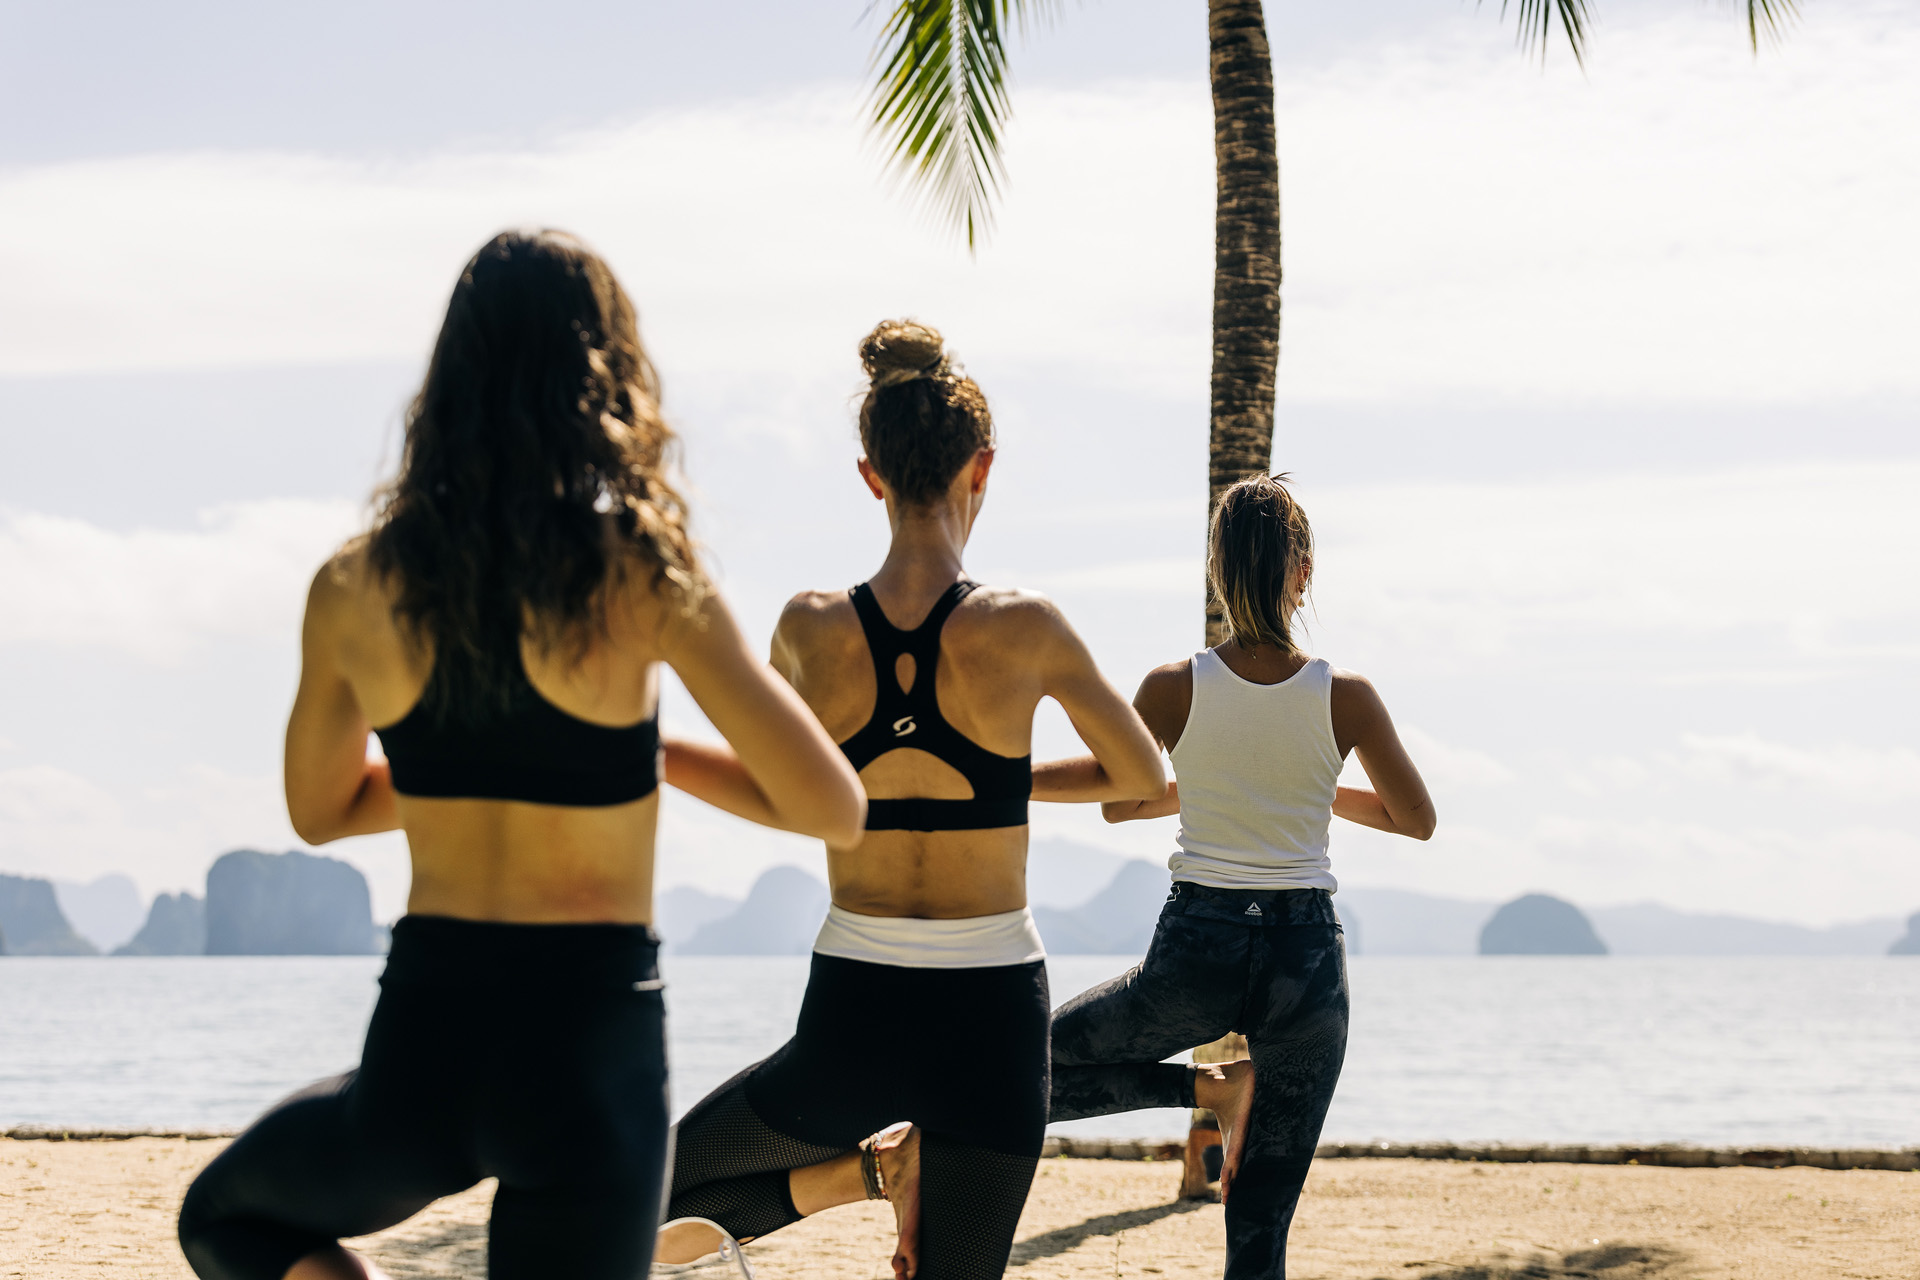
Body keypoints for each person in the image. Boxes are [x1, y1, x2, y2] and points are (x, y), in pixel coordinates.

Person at [177, 230, 866, 1280]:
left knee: (225, 1217)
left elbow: (318, 811)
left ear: (448, 381)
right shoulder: (641, 572)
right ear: (606, 377)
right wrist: (640, 759)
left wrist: (467, 778)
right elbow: (832, 803)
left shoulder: (355, 585)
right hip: (588, 1057)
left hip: (427, 1042)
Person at [658, 319, 1167, 1280]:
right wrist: (995, 786)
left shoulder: (808, 628)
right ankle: (879, 1173)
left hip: (858, 1005)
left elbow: (781, 794)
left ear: (871, 475)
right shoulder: (1027, 625)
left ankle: (858, 1177)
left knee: (654, 1190)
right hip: (995, 1013)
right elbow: (1143, 783)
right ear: (984, 467)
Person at [1032, 472, 1435, 1280]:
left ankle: (1209, 1091)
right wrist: (1309, 785)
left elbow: (1120, 805)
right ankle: (1222, 1094)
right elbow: (1414, 818)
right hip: (1306, 966)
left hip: (1198, 953)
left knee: (1028, 1069)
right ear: (1304, 572)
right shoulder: (1346, 697)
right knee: (1259, 1228)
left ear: (1217, 573)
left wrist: (1215, 781)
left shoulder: (1173, 687)